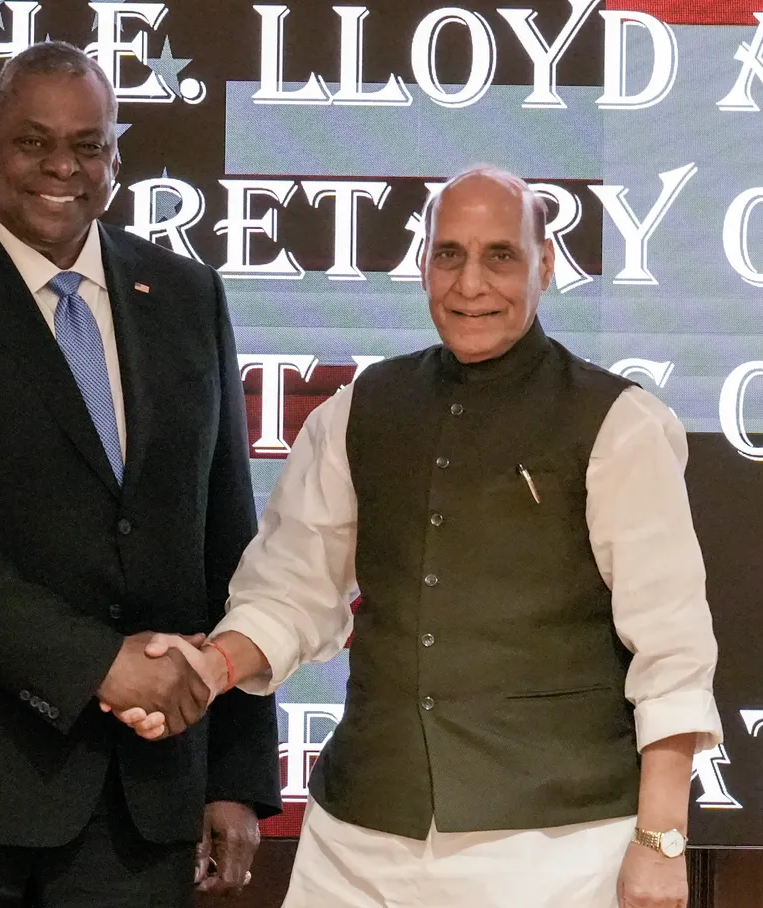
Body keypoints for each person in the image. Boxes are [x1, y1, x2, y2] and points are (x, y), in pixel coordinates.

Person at [127, 167, 722, 907]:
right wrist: (208, 667)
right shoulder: (357, 412)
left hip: (559, 846)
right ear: (424, 266)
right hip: (361, 840)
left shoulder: (620, 423)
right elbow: (291, 592)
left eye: (500, 256)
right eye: (450, 255)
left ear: (545, 265)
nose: (471, 283)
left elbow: (672, 651)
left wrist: (660, 842)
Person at [0, 41, 280, 908]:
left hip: (138, 808)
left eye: (89, 144)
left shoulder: (188, 297)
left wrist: (235, 773)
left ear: (117, 154)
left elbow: (228, 538)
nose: (62, 166)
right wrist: (96, 664)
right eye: (34, 142)